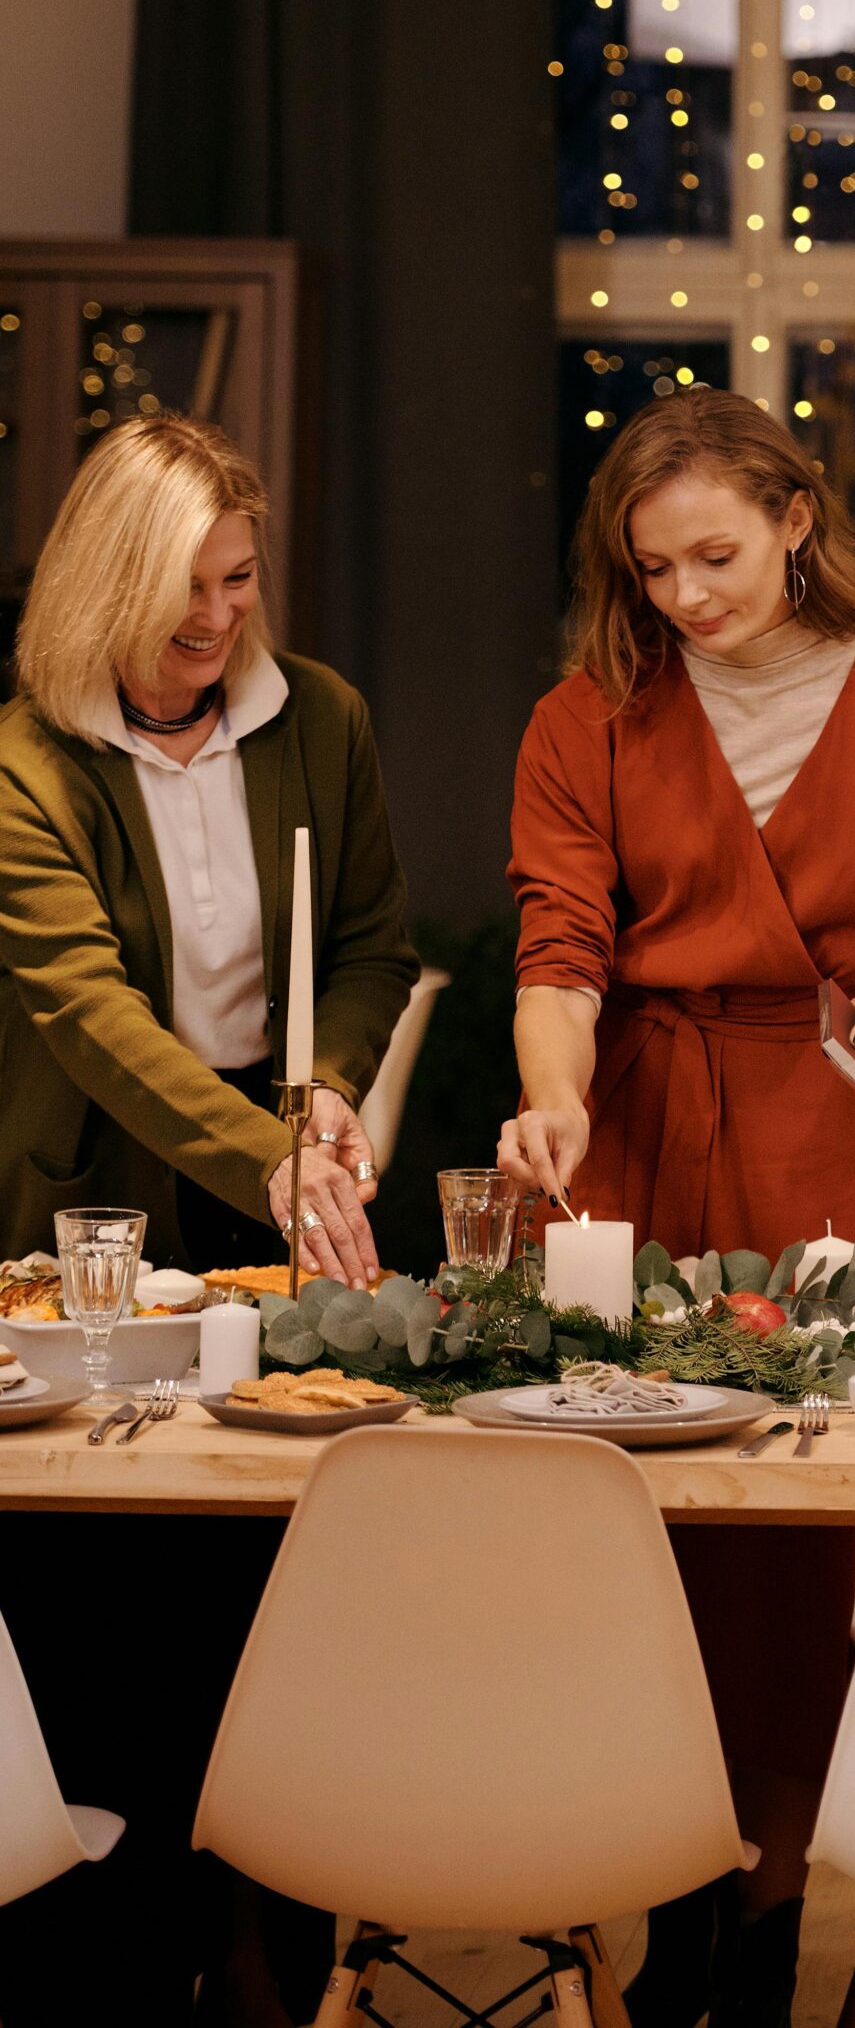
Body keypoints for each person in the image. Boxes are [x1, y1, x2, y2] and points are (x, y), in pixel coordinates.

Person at [501, 386, 855, 2028]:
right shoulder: (586, 716)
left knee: (789, 1554)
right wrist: (557, 1091)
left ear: (799, 518)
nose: (687, 599)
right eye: (653, 571)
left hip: (813, 1128)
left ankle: (772, 1916)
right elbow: (557, 949)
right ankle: (658, 1899)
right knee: (622, 1541)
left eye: (713, 555)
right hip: (631, 1132)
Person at [0, 413, 418, 2026]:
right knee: (105, 1586)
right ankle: (115, 1936)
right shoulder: (29, 762)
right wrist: (264, 1149)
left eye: (238, 583)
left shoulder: (318, 720)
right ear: (100, 586)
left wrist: (324, 1088)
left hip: (270, 1166)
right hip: (99, 1201)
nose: (215, 623)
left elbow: (372, 941)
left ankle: (264, 1930)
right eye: (181, 593)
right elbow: (84, 1010)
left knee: (273, 1569)